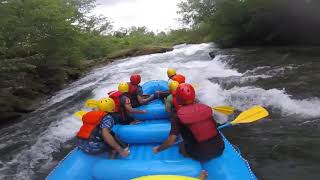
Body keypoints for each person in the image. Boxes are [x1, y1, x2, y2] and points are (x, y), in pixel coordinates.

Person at [153, 83, 225, 162]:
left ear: (178, 99)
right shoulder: (205, 108)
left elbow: (171, 141)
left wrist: (158, 149)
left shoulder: (177, 116)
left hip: (201, 154)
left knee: (181, 145)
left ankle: (189, 156)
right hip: (220, 148)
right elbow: (214, 126)